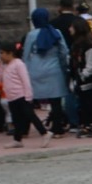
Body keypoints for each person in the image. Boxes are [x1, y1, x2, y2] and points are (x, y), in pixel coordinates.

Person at [23, 8, 71, 138]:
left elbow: (26, 55)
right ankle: (57, 129)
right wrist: (64, 66)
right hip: (54, 69)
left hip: (35, 69)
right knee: (56, 102)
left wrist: (24, 72)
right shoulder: (56, 33)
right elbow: (64, 52)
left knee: (28, 100)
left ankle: (24, 128)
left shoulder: (31, 35)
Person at [0, 39, 46, 146]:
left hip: (21, 96)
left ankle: (44, 133)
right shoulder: (5, 66)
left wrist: (28, 95)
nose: (0, 55)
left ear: (10, 53)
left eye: (2, 53)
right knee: (16, 118)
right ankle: (17, 139)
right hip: (11, 97)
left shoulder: (18, 64)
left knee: (30, 115)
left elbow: (25, 80)